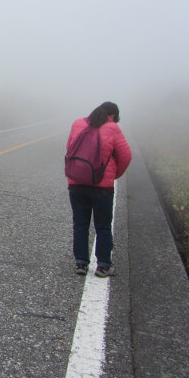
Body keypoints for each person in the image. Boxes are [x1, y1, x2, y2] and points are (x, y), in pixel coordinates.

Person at [66, 101, 132, 277]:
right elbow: (126, 156)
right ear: (112, 116)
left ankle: (81, 263)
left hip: (76, 183)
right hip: (102, 187)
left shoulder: (77, 123)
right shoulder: (112, 128)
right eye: (115, 118)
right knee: (102, 226)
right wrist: (113, 175)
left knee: (80, 224)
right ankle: (103, 265)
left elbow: (70, 149)